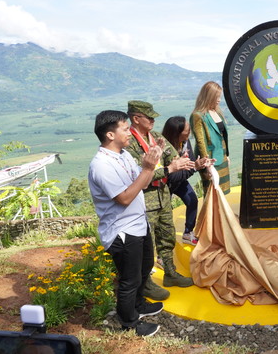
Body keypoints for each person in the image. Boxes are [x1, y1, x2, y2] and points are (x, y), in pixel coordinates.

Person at [87, 110, 164, 337]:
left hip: (138, 224)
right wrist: (148, 168)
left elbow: (143, 182)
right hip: (122, 230)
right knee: (129, 280)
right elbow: (124, 198)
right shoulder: (101, 165)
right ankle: (129, 323)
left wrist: (153, 161)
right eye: (125, 128)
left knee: (144, 268)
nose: (130, 132)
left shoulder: (124, 155)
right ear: (110, 134)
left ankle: (138, 305)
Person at [125, 100, 195, 289]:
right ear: (136, 118)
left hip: (163, 195)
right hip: (144, 200)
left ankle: (170, 273)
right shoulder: (129, 143)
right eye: (149, 117)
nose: (153, 121)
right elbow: (139, 174)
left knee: (167, 236)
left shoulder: (156, 137)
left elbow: (173, 158)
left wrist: (189, 163)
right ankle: (145, 283)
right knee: (146, 242)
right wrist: (168, 168)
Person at [162, 116, 212, 246]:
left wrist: (200, 164)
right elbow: (171, 177)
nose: (189, 134)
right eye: (187, 132)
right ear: (176, 134)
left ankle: (188, 232)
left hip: (180, 180)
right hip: (164, 186)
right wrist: (194, 167)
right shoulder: (164, 148)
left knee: (192, 201)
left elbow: (192, 162)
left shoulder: (184, 142)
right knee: (165, 214)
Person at [190, 81, 230, 196]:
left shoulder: (217, 112)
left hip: (222, 156)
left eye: (219, 97)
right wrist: (207, 163)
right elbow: (200, 141)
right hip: (210, 159)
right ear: (208, 96)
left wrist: (227, 155)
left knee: (223, 191)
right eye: (216, 97)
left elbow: (223, 135)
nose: (219, 100)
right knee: (212, 192)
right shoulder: (198, 115)